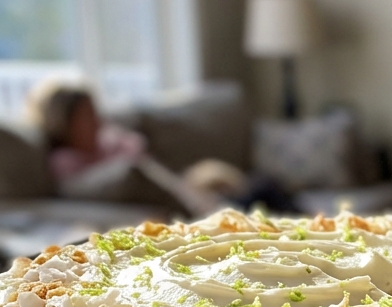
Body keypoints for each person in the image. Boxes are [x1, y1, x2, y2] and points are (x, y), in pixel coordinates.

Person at [34, 83, 293, 216]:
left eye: (95, 113)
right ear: (65, 123)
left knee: (265, 186)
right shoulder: (68, 163)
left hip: (194, 192)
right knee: (265, 188)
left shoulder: (109, 143)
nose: (97, 121)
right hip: (196, 209)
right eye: (87, 116)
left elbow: (143, 155)